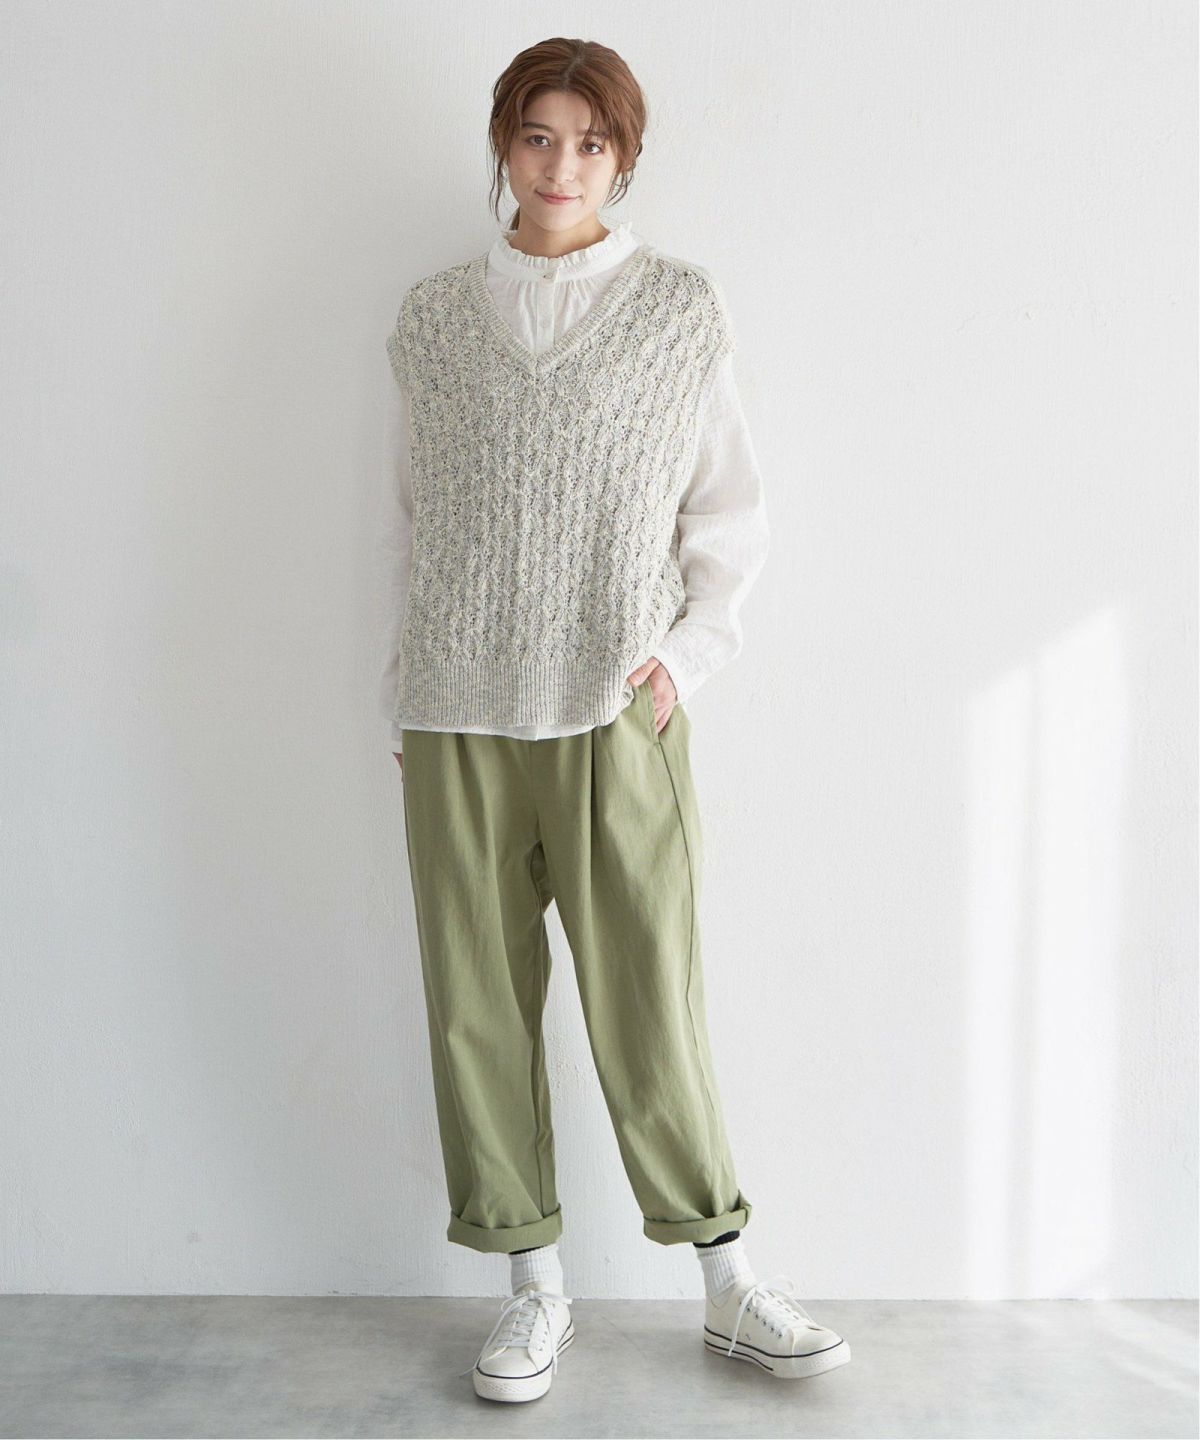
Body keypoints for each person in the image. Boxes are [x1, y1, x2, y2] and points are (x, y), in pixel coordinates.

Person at [375, 36, 851, 1404]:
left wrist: (681, 663)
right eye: (539, 135)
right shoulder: (434, 320)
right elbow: (408, 518)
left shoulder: (676, 311)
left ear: (623, 159)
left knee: (650, 998)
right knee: (475, 1008)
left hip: (612, 708)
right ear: (503, 145)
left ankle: (728, 1278)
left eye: (592, 143)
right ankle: (533, 1289)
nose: (562, 165)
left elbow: (729, 515)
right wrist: (399, 685)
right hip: (457, 710)